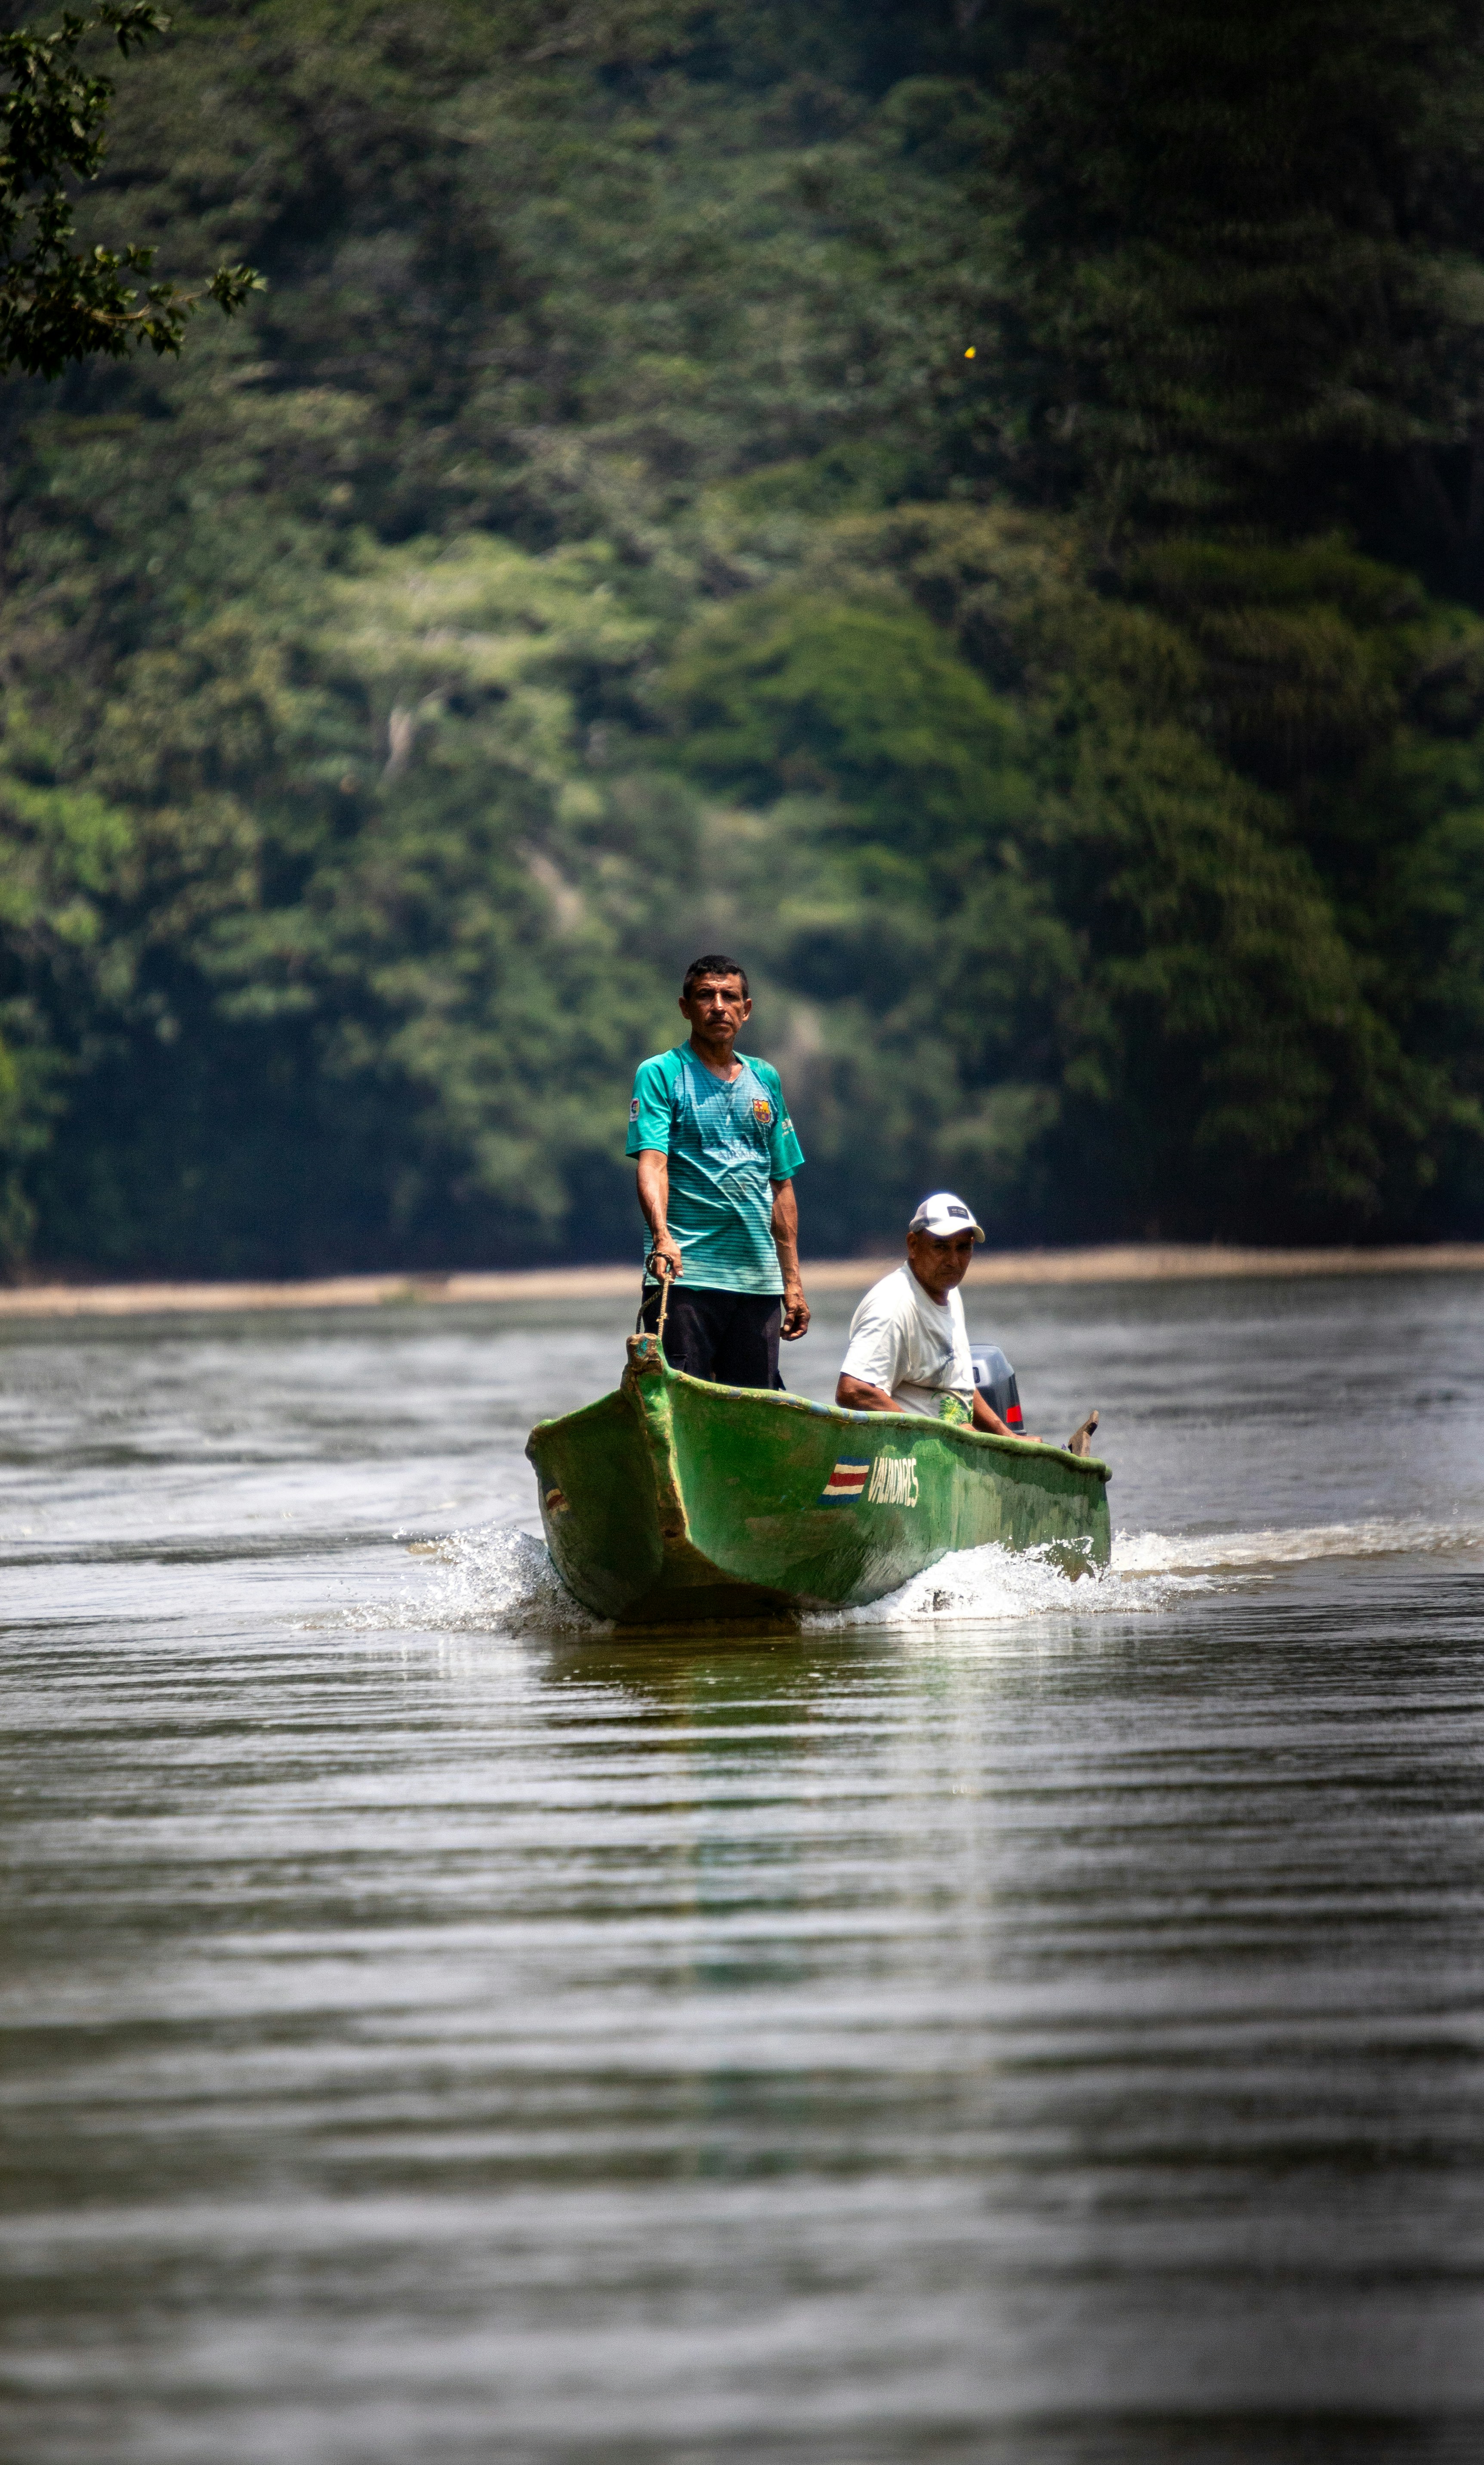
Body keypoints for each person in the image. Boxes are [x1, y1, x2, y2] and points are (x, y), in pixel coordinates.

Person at [627, 954, 810, 1389]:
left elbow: (781, 1185)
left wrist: (793, 1283)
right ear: (685, 1007)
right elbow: (653, 1164)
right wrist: (661, 1237)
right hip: (685, 1278)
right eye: (705, 996)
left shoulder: (765, 1079)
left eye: (729, 997)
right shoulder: (661, 1074)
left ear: (746, 1010)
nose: (718, 1006)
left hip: (757, 1282)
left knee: (755, 1412)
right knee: (685, 1400)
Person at [835, 1191, 1032, 1437]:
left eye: (963, 1248)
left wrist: (1006, 1436)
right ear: (913, 1246)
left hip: (957, 1449)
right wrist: (929, 1438)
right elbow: (853, 1390)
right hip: (911, 1458)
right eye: (941, 1247)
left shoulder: (949, 1291)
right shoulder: (893, 1306)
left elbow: (959, 1383)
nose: (954, 1261)